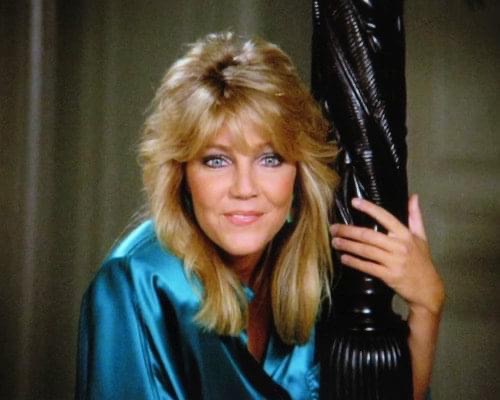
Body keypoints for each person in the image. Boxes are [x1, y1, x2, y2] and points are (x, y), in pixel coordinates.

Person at [76, 32, 444, 400]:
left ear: (300, 174)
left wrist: (427, 305)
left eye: (270, 159)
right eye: (216, 160)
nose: (244, 188)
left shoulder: (313, 271)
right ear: (181, 175)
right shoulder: (136, 283)